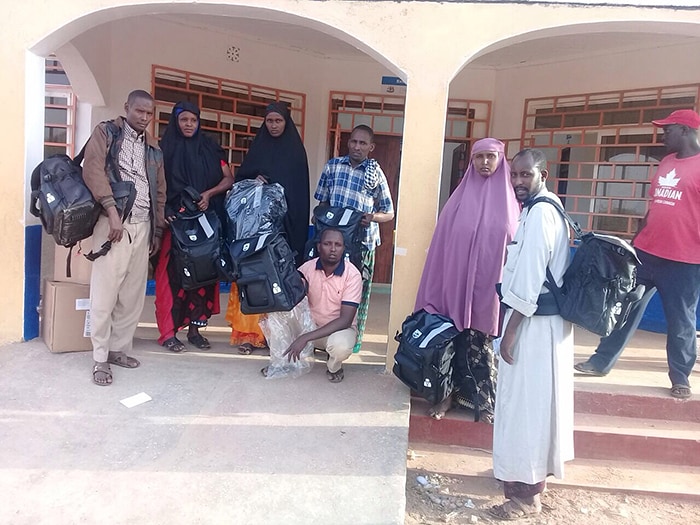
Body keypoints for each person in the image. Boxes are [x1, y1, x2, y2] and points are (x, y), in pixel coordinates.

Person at [574, 109, 700, 399]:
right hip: (646, 253)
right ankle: (600, 361)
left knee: (681, 321)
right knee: (623, 308)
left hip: (684, 262)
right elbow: (655, 206)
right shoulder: (667, 162)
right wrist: (635, 241)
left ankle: (680, 377)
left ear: (684, 130)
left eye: (668, 129)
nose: (662, 134)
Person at [490, 149, 574, 520]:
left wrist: (508, 335)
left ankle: (524, 497)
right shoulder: (545, 208)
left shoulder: (541, 214)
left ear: (543, 174)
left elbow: (528, 283)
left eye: (526, 175)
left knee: (525, 408)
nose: (519, 182)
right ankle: (531, 479)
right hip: (542, 326)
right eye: (515, 176)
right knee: (537, 407)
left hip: (533, 326)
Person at [414, 138, 520, 423]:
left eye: (491, 157)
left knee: (482, 343)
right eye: (479, 157)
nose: (485, 163)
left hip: (491, 288)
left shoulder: (513, 204)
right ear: (471, 161)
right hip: (455, 286)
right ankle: (445, 397)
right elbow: (442, 250)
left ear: (501, 160)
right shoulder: (457, 201)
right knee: (451, 340)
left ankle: (483, 402)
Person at [82, 90, 166, 386]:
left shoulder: (154, 149)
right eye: (139, 111)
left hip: (143, 226)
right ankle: (100, 357)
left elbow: (159, 191)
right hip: (112, 224)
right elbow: (92, 170)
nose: (144, 117)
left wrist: (156, 231)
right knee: (105, 293)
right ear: (127, 107)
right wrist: (111, 211)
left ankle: (119, 349)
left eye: (149, 113)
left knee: (131, 295)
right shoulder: (106, 132)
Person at [226, 102, 310, 354]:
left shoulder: (295, 152)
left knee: (278, 279)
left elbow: (300, 194)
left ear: (286, 122)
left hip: (282, 231)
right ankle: (249, 335)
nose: (273, 125)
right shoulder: (258, 149)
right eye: (269, 121)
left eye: (278, 121)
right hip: (254, 231)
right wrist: (254, 180)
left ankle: (276, 337)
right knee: (254, 276)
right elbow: (240, 183)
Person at [154, 101, 234, 353]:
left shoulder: (210, 149)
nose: (189, 124)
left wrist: (209, 194)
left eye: (193, 120)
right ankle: (168, 332)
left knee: (202, 275)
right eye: (184, 120)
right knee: (170, 278)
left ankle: (195, 331)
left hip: (203, 222)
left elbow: (228, 178)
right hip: (174, 223)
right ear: (175, 121)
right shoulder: (162, 150)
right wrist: (165, 210)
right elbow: (156, 185)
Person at [314, 125, 395, 353]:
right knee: (326, 292)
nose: (357, 147)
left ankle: (352, 342)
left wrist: (372, 217)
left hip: (363, 244)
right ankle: (323, 338)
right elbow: (321, 204)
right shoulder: (333, 167)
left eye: (362, 143)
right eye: (353, 142)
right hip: (332, 245)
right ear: (348, 143)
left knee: (359, 293)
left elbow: (389, 213)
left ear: (371, 147)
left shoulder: (375, 173)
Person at [282, 228, 362, 383]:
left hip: (337, 331)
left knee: (340, 346)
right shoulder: (306, 269)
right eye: (327, 244)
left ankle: (334, 367)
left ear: (343, 248)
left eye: (338, 245)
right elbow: (291, 298)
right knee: (275, 319)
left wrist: (305, 338)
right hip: (310, 327)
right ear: (319, 247)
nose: (333, 249)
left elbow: (345, 320)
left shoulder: (352, 275)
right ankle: (280, 362)